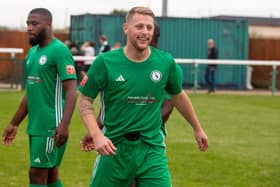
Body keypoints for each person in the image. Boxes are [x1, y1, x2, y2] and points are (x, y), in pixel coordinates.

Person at [78, 6, 208, 187]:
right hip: (114, 149)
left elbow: (178, 96)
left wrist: (197, 128)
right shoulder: (105, 62)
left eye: (149, 27)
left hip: (151, 149)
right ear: (126, 29)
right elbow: (85, 101)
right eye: (139, 26)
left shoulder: (165, 62)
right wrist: (97, 134)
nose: (145, 32)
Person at [2, 8, 77, 187]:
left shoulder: (59, 51)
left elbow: (72, 90)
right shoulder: (33, 53)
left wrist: (64, 124)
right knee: (50, 173)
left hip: (51, 125)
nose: (29, 27)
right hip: (36, 125)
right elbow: (31, 93)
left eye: (34, 23)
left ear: (48, 25)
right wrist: (14, 123)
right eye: (28, 23)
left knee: (36, 174)